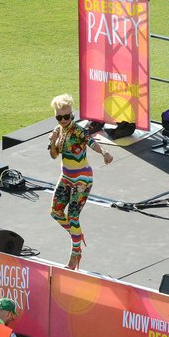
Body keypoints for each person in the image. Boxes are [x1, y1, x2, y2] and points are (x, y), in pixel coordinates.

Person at [48, 93, 112, 270]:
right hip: (66, 177)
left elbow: (90, 141)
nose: (63, 120)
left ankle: (75, 254)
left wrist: (104, 153)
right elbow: (53, 155)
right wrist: (53, 143)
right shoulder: (57, 131)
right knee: (56, 212)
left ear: (72, 115)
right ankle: (77, 236)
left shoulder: (78, 130)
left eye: (66, 116)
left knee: (73, 216)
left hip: (82, 178)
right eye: (59, 117)